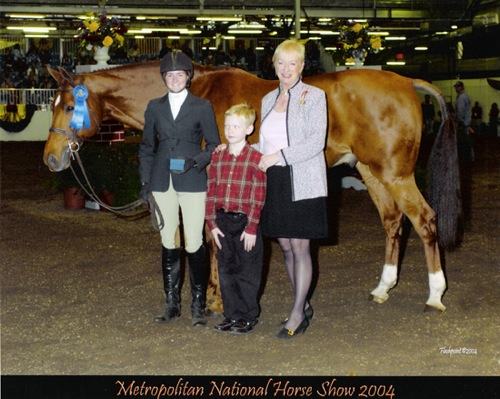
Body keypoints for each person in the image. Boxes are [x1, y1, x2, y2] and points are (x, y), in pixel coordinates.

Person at [138, 50, 221, 326]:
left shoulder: (202, 107)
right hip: (162, 181)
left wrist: (195, 162)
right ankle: (171, 303)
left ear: (188, 77)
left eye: (180, 74)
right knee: (168, 241)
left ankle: (198, 303)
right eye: (170, 75)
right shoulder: (154, 107)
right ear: (164, 78)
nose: (174, 79)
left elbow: (212, 146)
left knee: (194, 242)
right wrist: (146, 182)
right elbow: (147, 147)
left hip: (192, 180)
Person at [258, 39, 328, 339]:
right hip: (275, 181)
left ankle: (298, 312)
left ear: (301, 66)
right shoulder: (266, 100)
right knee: (285, 246)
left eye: (292, 63)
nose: (286, 70)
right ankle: (305, 301)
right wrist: (235, 149)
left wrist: (280, 156)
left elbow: (316, 141)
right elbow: (264, 143)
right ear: (274, 65)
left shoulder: (314, 96)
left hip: (303, 179)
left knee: (300, 247)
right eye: (280, 63)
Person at [205, 103, 267, 335]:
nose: (230, 130)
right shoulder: (218, 156)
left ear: (249, 129)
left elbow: (258, 195)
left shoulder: (255, 158)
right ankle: (231, 315)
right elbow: (211, 190)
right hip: (222, 221)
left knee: (247, 271)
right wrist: (212, 222)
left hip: (245, 224)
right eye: (227, 125)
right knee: (226, 270)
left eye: (236, 126)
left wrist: (252, 227)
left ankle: (248, 315)